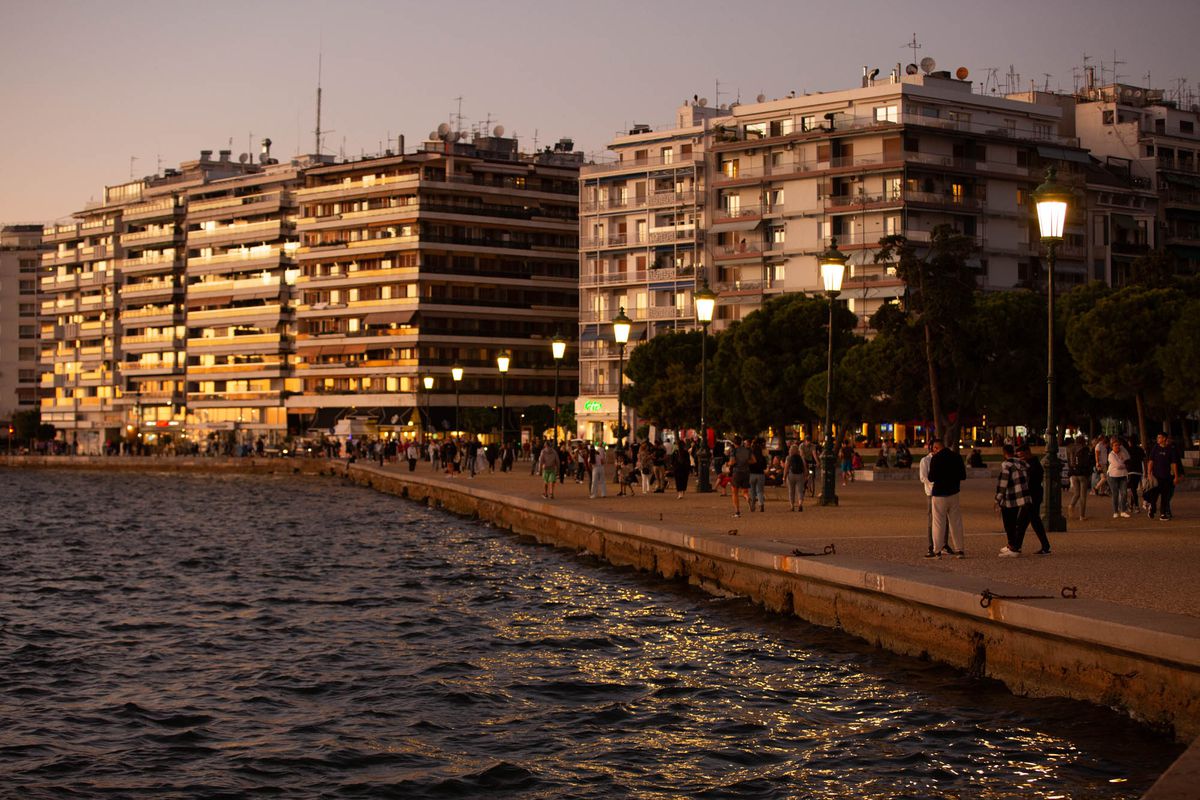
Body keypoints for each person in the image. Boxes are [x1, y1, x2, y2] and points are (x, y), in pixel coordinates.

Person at [926, 438, 966, 558]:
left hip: (939, 494)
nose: (933, 452)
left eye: (933, 449)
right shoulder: (956, 457)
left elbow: (931, 477)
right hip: (954, 492)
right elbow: (963, 476)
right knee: (956, 522)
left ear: (936, 448)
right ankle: (959, 549)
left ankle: (937, 550)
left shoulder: (936, 459)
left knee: (938, 522)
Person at [995, 444, 1033, 557]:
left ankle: (1012, 547)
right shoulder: (1022, 464)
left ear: (1004, 453)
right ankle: (1014, 546)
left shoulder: (1006, 465)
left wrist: (997, 498)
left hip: (1010, 498)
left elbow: (1003, 483)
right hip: (1021, 496)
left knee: (1009, 523)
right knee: (1015, 522)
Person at [1016, 443, 1052, 555]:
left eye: (1021, 456)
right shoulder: (1031, 464)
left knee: (1029, 522)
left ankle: (1016, 546)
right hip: (1032, 495)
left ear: (1027, 453)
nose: (1020, 459)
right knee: (1026, 522)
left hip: (1032, 496)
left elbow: (1030, 482)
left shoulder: (1033, 466)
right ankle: (1017, 546)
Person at [1144, 432, 1183, 521]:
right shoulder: (1155, 448)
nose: (1158, 439)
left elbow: (1173, 463)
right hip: (1156, 477)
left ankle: (1163, 514)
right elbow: (1151, 461)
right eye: (1157, 437)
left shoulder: (1170, 449)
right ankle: (1152, 509)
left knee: (1165, 497)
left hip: (1167, 477)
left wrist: (1176, 476)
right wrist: (1149, 474)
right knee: (1154, 496)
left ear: (1164, 438)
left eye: (1160, 437)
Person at [1066, 435, 1092, 521]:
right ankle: (1082, 515)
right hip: (1082, 474)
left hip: (1073, 473)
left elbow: (1069, 461)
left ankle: (1071, 505)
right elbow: (1088, 462)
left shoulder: (1070, 448)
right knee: (1083, 495)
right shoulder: (1085, 449)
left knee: (1076, 493)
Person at [1107, 436, 1131, 518]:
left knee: (1124, 493)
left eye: (1118, 445)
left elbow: (1128, 459)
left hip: (1123, 475)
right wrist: (1123, 464)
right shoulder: (1111, 455)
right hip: (1113, 476)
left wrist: (1123, 463)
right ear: (1112, 446)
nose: (1117, 447)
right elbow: (1117, 465)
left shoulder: (1123, 452)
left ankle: (1123, 510)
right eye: (1115, 445)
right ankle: (1115, 511)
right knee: (1115, 494)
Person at [730, 436, 751, 517]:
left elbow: (732, 462)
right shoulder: (747, 450)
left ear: (734, 443)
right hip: (746, 472)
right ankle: (747, 498)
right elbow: (753, 460)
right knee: (745, 491)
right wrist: (745, 462)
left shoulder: (734, 450)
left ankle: (737, 512)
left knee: (734, 492)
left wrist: (729, 464)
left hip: (737, 472)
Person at [784, 444, 808, 512]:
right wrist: (806, 474)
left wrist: (784, 477)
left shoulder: (788, 457)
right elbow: (804, 467)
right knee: (800, 491)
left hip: (791, 475)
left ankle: (792, 506)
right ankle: (800, 504)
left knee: (791, 491)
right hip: (800, 475)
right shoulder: (801, 457)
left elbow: (786, 468)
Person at [1124, 436, 1145, 515]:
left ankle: (1136, 506)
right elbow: (1144, 459)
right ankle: (1132, 505)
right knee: (1134, 489)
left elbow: (1125, 461)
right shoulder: (1140, 449)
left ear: (1129, 442)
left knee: (1132, 489)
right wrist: (1145, 471)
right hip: (1138, 471)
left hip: (1130, 471)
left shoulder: (1127, 450)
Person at [747, 438, 768, 512]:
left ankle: (752, 506)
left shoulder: (751, 454)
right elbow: (765, 466)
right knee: (760, 491)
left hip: (752, 474)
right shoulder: (762, 455)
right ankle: (761, 504)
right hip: (760, 474)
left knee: (752, 491)